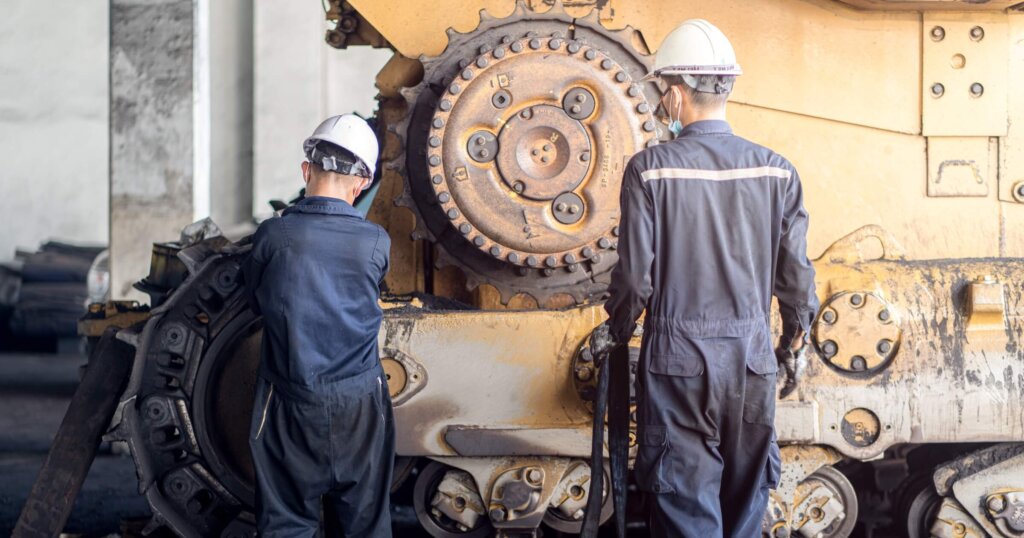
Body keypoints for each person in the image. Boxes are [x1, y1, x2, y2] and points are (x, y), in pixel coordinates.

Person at [602, 19, 819, 537]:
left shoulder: (650, 170)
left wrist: (617, 330)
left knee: (683, 500)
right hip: (751, 358)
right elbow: (796, 279)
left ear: (676, 94)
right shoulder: (777, 170)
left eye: (661, 93)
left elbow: (635, 279)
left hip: (678, 362)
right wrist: (793, 342)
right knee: (747, 504)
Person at [243, 114, 394, 537]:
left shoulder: (273, 236)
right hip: (360, 404)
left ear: (306, 170)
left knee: (287, 521)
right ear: (362, 183)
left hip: (290, 400)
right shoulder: (376, 242)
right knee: (365, 524)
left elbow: (254, 298)